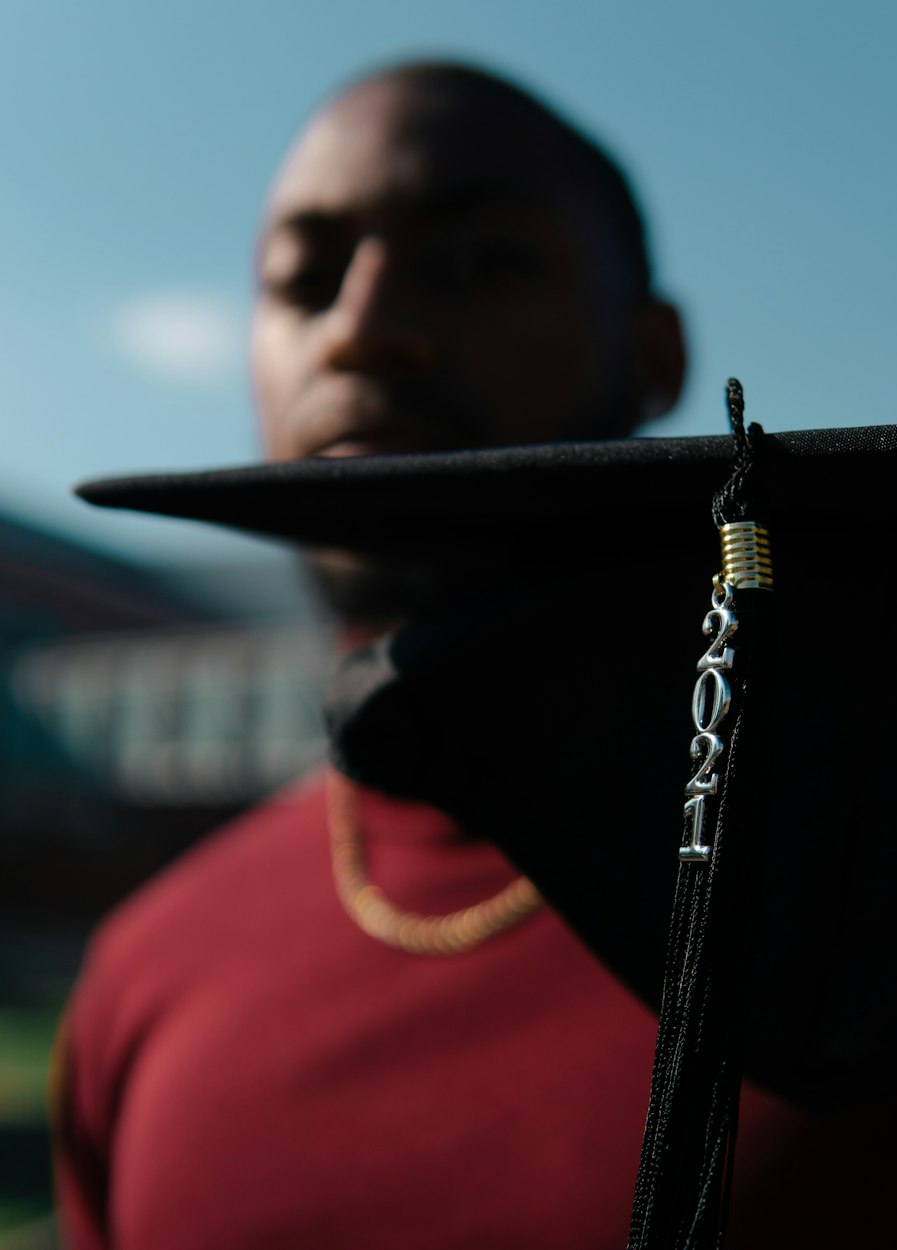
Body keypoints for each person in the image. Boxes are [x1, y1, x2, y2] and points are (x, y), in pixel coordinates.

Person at [52, 61, 691, 1250]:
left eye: (482, 261)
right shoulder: (146, 974)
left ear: (651, 356)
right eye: (304, 279)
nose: (364, 328)